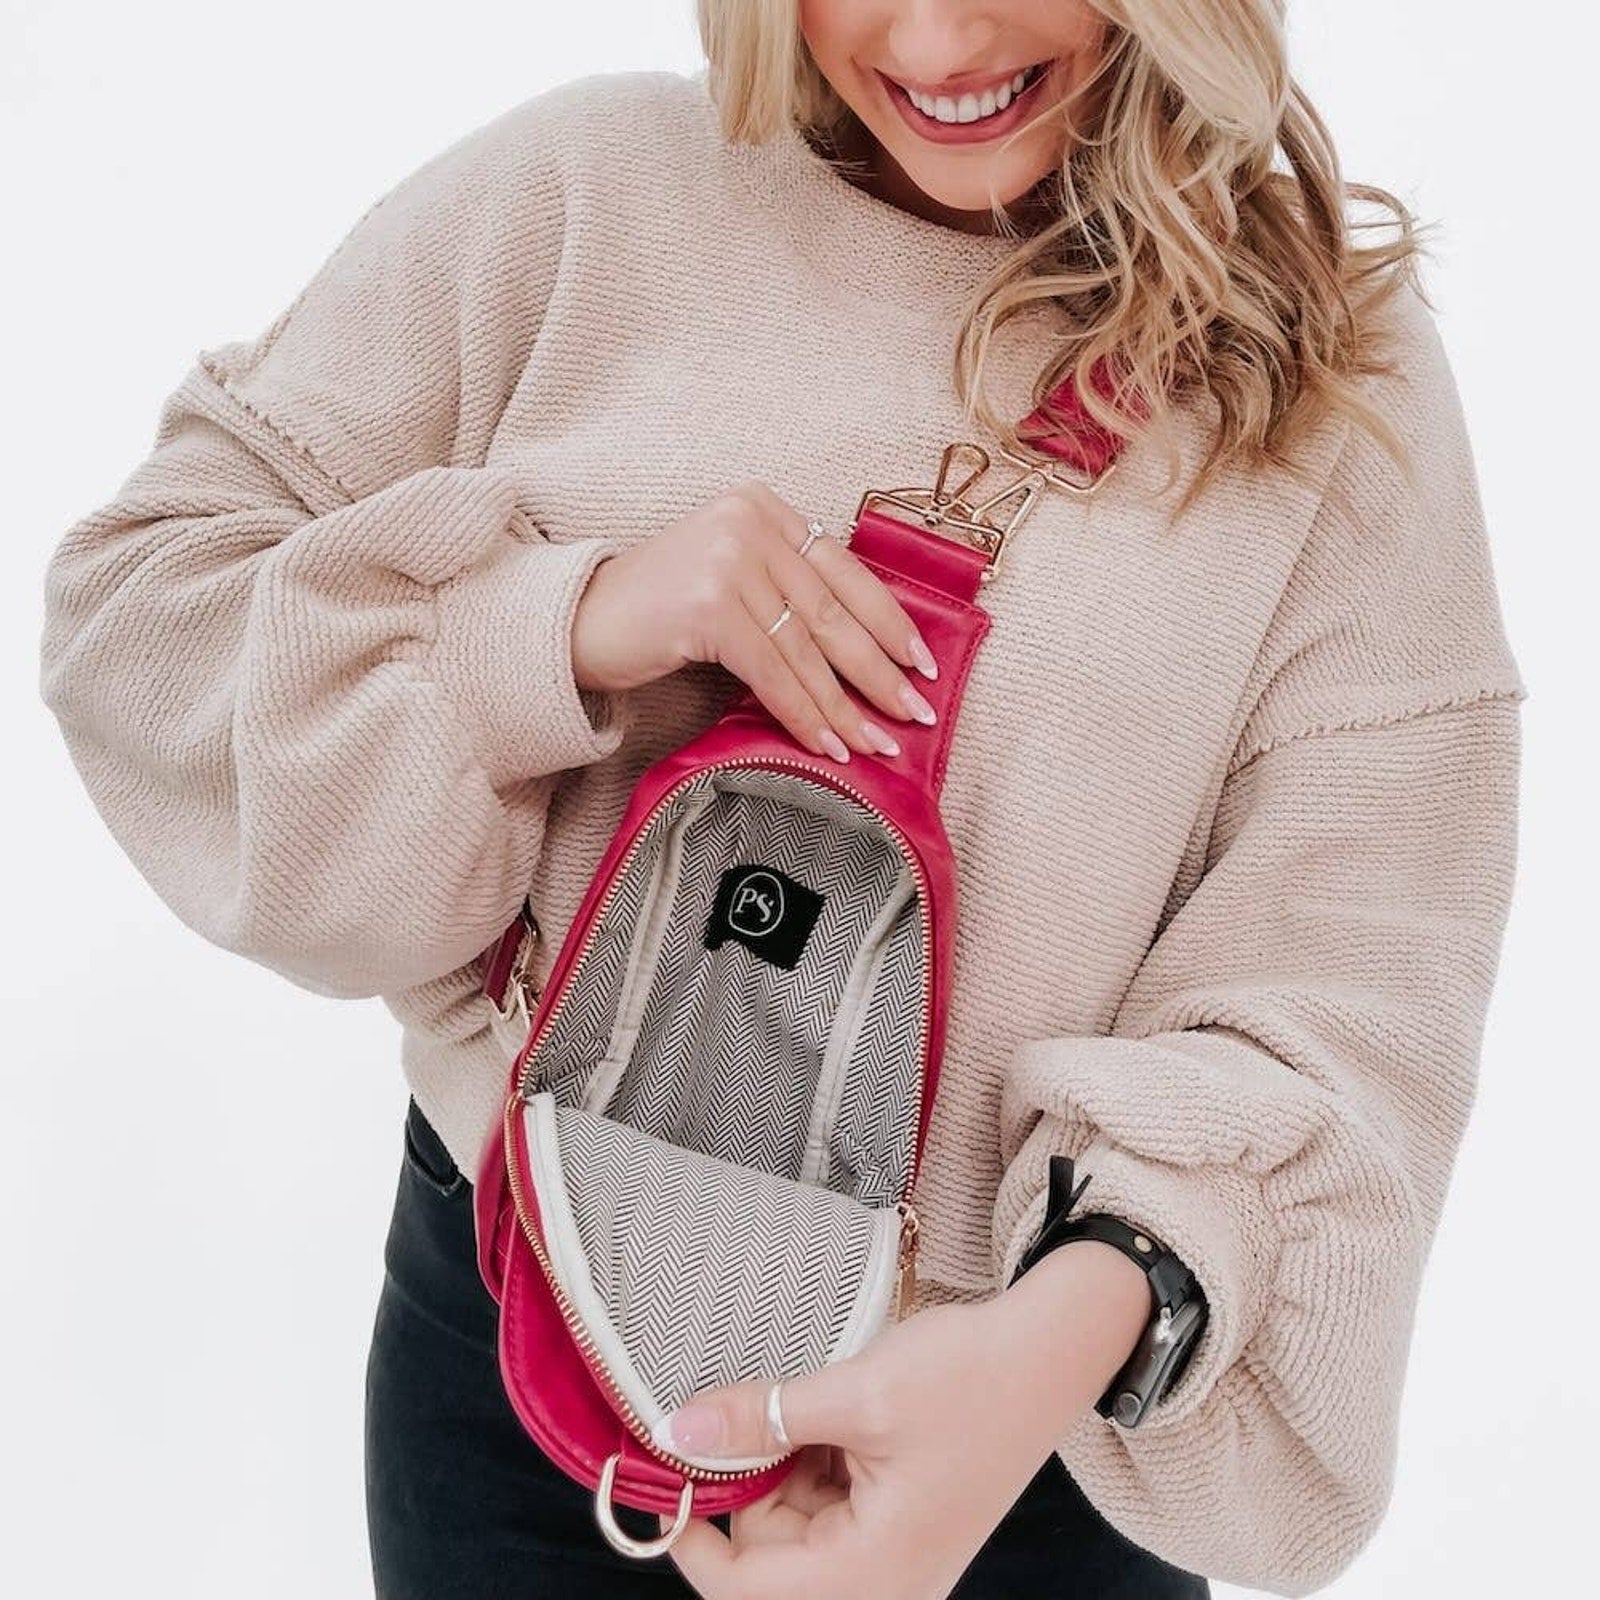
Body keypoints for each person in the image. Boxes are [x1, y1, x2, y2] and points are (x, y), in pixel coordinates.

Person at [36, 2, 1526, 1596]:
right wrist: (567, 624)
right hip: (520, 1342)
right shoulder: (578, 195)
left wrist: (1053, 1344)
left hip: (1021, 1439)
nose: (940, 40)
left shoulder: (1327, 375)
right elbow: (143, 614)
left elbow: (1351, 980)